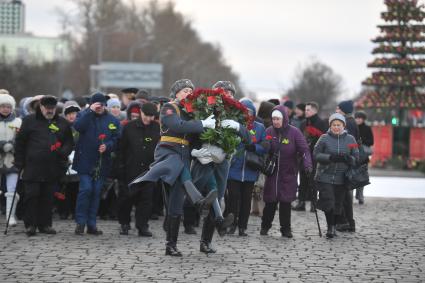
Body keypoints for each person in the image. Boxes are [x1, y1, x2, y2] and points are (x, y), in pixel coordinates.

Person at [130, 79, 217, 257]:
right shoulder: (169, 108)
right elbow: (177, 126)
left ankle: (171, 245)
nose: (188, 94)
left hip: (183, 155)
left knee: (175, 203)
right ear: (176, 93)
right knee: (180, 172)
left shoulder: (190, 112)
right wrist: (201, 124)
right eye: (185, 90)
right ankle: (199, 202)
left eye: (190, 91)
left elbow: (193, 136)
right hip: (168, 153)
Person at [14, 95, 74, 236]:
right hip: (32, 166)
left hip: (52, 167)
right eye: (47, 109)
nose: (50, 111)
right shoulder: (29, 121)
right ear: (40, 107)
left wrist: (63, 153)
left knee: (47, 197)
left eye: (52, 109)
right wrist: (19, 162)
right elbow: (20, 143)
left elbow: (69, 142)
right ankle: (30, 225)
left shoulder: (62, 123)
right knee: (31, 196)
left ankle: (45, 225)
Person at [73, 92, 121, 236]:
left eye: (102, 105)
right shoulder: (83, 115)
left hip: (102, 162)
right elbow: (78, 127)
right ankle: (80, 223)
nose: (100, 107)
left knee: (96, 192)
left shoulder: (112, 120)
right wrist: (90, 111)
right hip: (85, 161)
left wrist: (108, 145)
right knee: (86, 190)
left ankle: (92, 224)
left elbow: (117, 138)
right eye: (97, 104)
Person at [260, 105, 312, 238]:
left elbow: (304, 150)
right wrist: (264, 148)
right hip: (273, 173)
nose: (275, 121)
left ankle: (286, 229)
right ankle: (265, 226)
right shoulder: (269, 131)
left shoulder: (294, 132)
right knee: (270, 202)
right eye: (273, 119)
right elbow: (262, 149)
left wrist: (307, 165)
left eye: (278, 119)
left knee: (285, 202)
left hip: (288, 172)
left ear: (284, 118)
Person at [313, 113, 359, 238]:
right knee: (329, 202)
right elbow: (316, 154)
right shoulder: (323, 138)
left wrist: (350, 159)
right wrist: (330, 157)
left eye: (339, 125)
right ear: (330, 126)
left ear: (343, 126)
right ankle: (330, 227)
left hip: (342, 177)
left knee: (338, 204)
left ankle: (334, 224)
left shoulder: (351, 139)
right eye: (334, 125)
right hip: (325, 175)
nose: (336, 127)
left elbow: (356, 156)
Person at [117, 102, 160, 236]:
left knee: (146, 200)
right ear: (141, 113)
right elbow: (121, 149)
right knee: (126, 198)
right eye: (146, 115)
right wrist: (120, 167)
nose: (148, 119)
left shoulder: (156, 128)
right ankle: (124, 223)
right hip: (130, 169)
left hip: (148, 171)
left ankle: (142, 226)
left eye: (151, 116)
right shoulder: (129, 127)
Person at [226, 99, 267, 236]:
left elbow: (265, 147)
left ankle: (242, 227)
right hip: (234, 168)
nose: (246, 114)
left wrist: (255, 147)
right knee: (233, 198)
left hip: (250, 169)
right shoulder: (233, 125)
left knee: (246, 199)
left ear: (253, 113)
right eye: (243, 111)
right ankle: (231, 224)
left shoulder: (259, 127)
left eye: (249, 111)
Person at [294, 102, 328, 212]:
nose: (306, 111)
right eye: (306, 109)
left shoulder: (321, 123)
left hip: (315, 155)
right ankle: (301, 202)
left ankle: (314, 203)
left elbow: (324, 139)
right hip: (303, 154)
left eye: (308, 110)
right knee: (303, 178)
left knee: (313, 179)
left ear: (314, 110)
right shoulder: (304, 122)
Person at [336, 100, 359, 232]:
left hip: (346, 162)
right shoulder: (351, 121)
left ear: (344, 110)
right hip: (349, 161)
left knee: (344, 195)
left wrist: (348, 155)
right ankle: (349, 222)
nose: (336, 110)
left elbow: (351, 143)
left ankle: (346, 222)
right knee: (345, 194)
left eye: (338, 108)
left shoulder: (348, 122)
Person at [56, 102, 81, 220]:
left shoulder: (80, 128)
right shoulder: (60, 127)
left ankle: (75, 211)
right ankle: (63, 211)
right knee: (63, 187)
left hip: (77, 159)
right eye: (69, 114)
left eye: (74, 113)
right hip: (63, 159)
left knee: (75, 187)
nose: (72, 116)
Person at [0, 91, 22, 226]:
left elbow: (22, 139)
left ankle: (10, 216)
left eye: (8, 106)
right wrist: (2, 145)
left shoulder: (18, 122)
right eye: (2, 106)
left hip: (12, 159)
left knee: (12, 188)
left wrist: (13, 145)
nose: (5, 109)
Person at [354, 111, 374, 205]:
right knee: (351, 175)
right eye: (356, 118)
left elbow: (371, 142)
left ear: (363, 119)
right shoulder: (352, 127)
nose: (358, 120)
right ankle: (349, 196)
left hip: (363, 156)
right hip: (353, 154)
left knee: (361, 176)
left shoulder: (367, 128)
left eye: (360, 118)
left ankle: (360, 196)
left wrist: (361, 141)